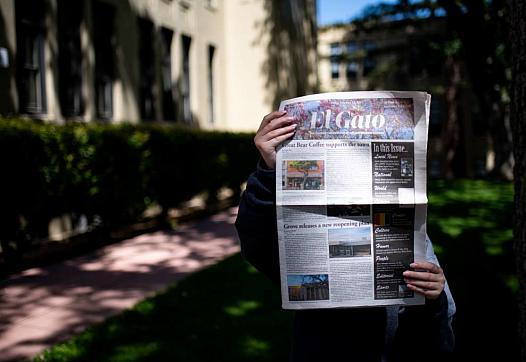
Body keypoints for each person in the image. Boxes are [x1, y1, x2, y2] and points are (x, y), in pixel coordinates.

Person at [235, 110, 456, 362]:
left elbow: (440, 342)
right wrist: (269, 170)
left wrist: (433, 299)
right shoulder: (311, 226)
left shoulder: (409, 235)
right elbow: (257, 245)